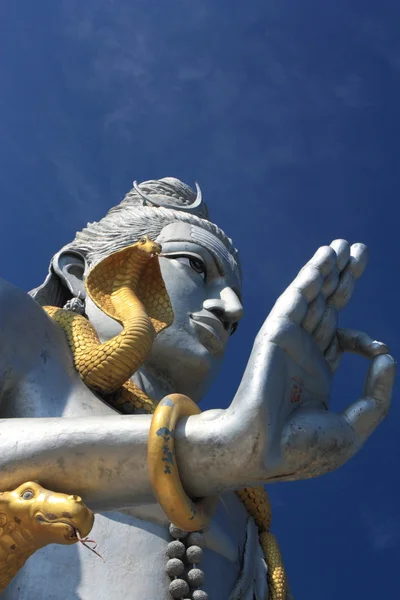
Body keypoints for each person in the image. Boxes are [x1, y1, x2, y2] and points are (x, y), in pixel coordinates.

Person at [0, 178, 394, 599]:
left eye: (239, 318)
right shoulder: (26, 335)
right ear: (80, 272)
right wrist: (203, 448)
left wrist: (241, 448)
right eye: (197, 266)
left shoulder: (239, 499)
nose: (231, 309)